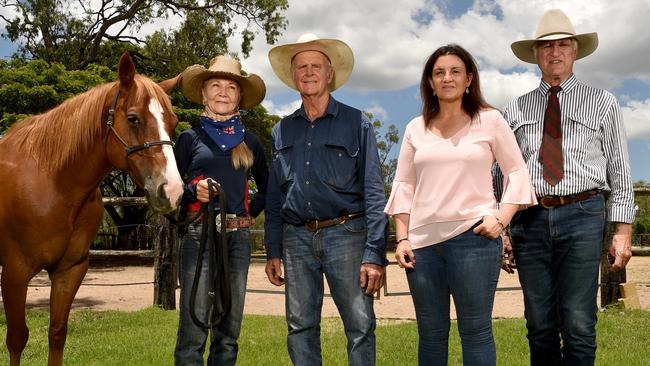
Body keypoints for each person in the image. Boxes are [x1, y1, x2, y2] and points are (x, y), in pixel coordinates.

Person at [385, 44, 537, 366]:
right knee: (431, 334)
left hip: (474, 239)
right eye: (439, 72)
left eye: (455, 71)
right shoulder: (415, 128)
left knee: (476, 331)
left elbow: (517, 171)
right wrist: (402, 237)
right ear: (430, 82)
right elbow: (404, 184)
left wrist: (501, 219)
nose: (447, 78)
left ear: (469, 78)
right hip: (422, 248)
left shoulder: (490, 120)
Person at [502, 9, 636, 365]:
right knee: (539, 323)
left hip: (583, 213)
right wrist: (502, 229)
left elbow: (620, 171)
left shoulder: (603, 103)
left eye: (563, 44)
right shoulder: (514, 109)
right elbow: (501, 173)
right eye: (546, 47)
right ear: (535, 55)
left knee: (578, 322)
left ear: (576, 50)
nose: (555, 52)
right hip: (528, 221)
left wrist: (623, 231)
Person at [264, 33, 388, 365]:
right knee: (300, 326)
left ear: (329, 73)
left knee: (360, 325)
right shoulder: (280, 131)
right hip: (296, 238)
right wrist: (273, 249)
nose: (308, 72)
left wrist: (374, 253)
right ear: (293, 76)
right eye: (301, 67)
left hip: (347, 234)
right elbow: (274, 198)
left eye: (315, 65)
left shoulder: (356, 122)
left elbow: (375, 190)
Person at [173, 55, 269, 365]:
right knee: (194, 323)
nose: (223, 92)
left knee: (229, 327)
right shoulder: (188, 138)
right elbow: (169, 190)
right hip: (197, 235)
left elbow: (270, 188)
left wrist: (248, 212)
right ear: (203, 93)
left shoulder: (251, 142)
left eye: (231, 87)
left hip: (237, 240)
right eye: (215, 85)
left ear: (240, 96)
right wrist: (193, 192)